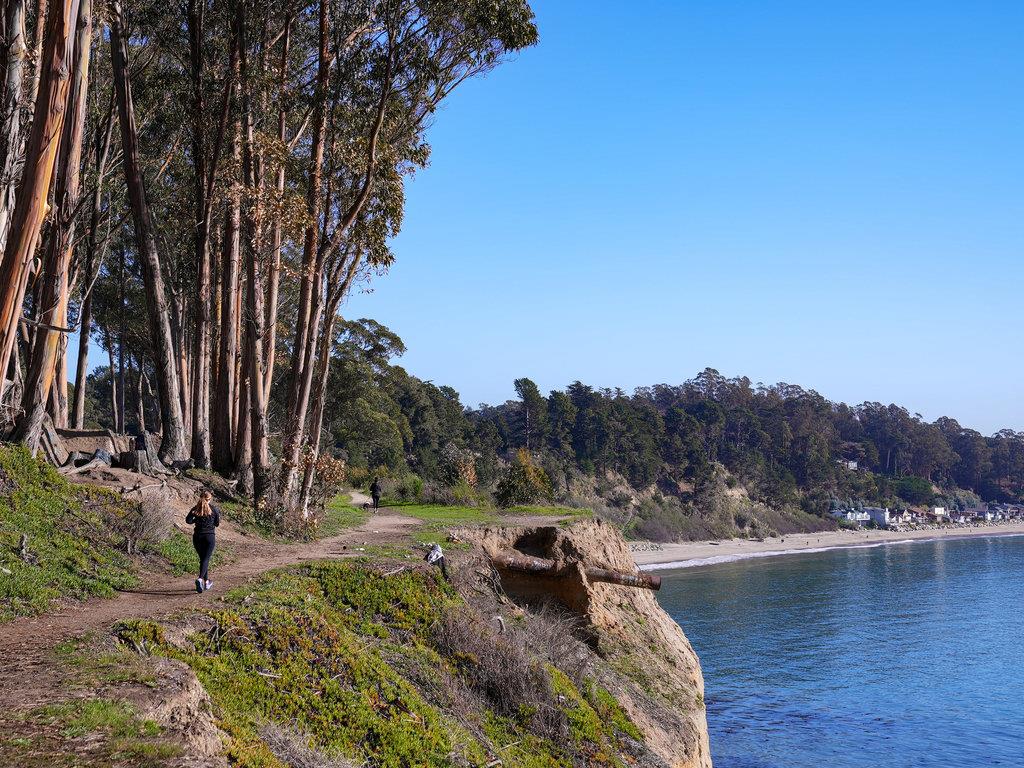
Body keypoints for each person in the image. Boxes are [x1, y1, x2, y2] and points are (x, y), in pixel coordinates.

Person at [185, 490, 220, 593]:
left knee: (203, 559)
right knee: (206, 559)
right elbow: (217, 523)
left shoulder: (195, 509)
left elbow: (188, 521)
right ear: (210, 499)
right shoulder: (214, 510)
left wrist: (197, 519)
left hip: (197, 537)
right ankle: (200, 578)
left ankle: (206, 582)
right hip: (209, 537)